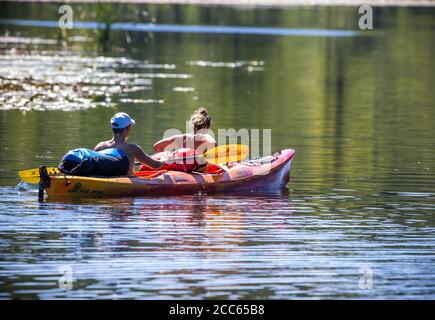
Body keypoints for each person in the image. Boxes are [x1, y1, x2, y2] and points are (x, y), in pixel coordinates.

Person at [94, 112, 164, 174]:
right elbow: (155, 165)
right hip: (125, 182)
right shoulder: (133, 148)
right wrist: (163, 160)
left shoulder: (100, 146)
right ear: (128, 128)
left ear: (112, 128)